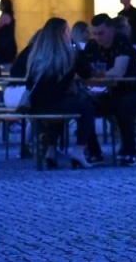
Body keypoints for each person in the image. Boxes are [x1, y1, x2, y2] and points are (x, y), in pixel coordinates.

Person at [11, 17, 104, 168]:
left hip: (35, 105)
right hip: (54, 102)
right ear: (62, 33)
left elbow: (30, 81)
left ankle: (51, 150)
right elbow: (86, 73)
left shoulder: (36, 54)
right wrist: (79, 50)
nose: (69, 34)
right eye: (68, 31)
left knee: (64, 110)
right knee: (87, 109)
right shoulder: (68, 54)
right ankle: (80, 149)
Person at [82, 14, 136, 166]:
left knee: (123, 107)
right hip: (108, 93)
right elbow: (83, 71)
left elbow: (119, 71)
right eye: (95, 33)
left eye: (101, 33)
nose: (98, 37)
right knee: (85, 107)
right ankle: (94, 152)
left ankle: (130, 152)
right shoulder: (92, 46)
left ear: (112, 30)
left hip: (134, 91)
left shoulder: (121, 42)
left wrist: (95, 76)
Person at [0, 0, 17, 64]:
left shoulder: (5, 16)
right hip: (8, 45)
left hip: (4, 46)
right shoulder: (9, 16)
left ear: (4, 6)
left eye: (0, 4)